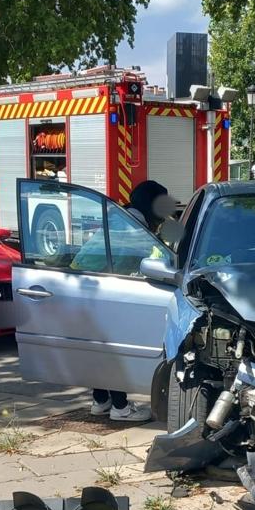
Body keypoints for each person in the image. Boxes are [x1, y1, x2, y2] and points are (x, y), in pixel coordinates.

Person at [88, 180, 178, 423]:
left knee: (101, 348)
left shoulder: (124, 216)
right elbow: (148, 261)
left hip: (88, 287)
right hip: (104, 290)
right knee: (115, 348)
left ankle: (101, 400)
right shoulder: (134, 227)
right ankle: (120, 407)